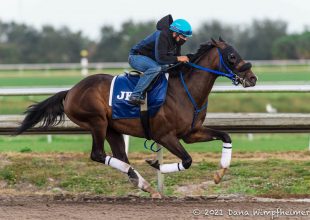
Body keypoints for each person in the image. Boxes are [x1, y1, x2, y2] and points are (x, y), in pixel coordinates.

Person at [128, 14, 192, 105]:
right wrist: (178, 58)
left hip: (151, 60)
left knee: (167, 68)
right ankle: (135, 95)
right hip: (136, 57)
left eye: (186, 37)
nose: (185, 39)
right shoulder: (163, 35)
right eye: (184, 36)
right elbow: (161, 59)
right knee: (156, 68)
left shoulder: (176, 42)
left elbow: (175, 61)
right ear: (175, 33)